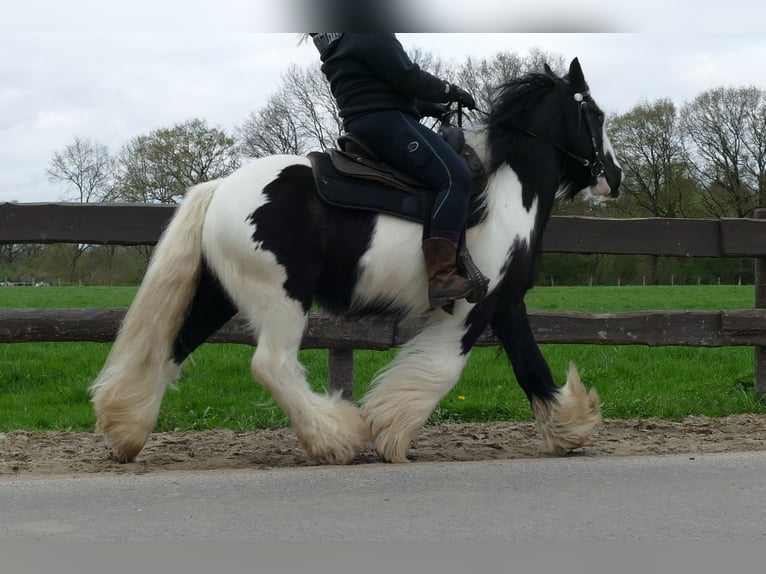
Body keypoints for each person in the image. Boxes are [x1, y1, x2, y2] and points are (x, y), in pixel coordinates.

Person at [309, 33, 479, 308]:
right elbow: (407, 77)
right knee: (456, 178)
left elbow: (378, 87)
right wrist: (450, 91)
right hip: (389, 124)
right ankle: (442, 276)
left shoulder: (339, 41)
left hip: (366, 123)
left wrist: (430, 107)